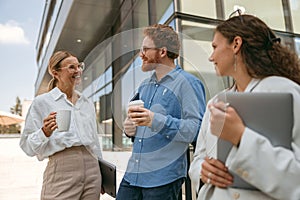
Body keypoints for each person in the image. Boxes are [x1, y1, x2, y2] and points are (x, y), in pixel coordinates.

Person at [188, 11, 300, 200]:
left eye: (215, 46)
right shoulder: (215, 102)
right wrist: (203, 170)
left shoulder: (284, 92)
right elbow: (198, 158)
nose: (211, 56)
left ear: (236, 44)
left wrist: (240, 137)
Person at [116, 24, 206, 200]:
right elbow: (139, 127)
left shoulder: (188, 83)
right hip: (133, 175)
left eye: (145, 49)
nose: (140, 54)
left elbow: (196, 130)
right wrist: (130, 129)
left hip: (162, 179)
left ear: (162, 52)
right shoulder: (144, 85)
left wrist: (154, 120)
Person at [19, 50, 103, 200]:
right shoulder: (42, 102)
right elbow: (27, 146)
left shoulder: (86, 103)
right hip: (62, 168)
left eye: (79, 66)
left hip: (92, 169)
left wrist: (102, 173)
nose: (78, 71)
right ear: (55, 73)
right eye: (71, 67)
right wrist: (44, 132)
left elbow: (94, 141)